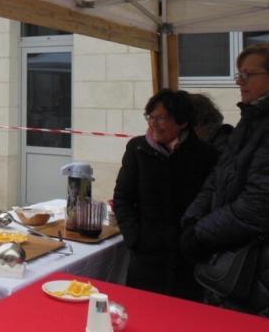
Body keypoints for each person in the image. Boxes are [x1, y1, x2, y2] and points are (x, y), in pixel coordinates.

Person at [181, 44, 269, 316]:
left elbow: (258, 204)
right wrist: (193, 218)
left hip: (257, 263)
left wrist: (201, 233)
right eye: (238, 75)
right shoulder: (249, 120)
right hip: (229, 251)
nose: (239, 82)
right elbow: (218, 178)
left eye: (247, 74)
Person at [113, 89, 219, 300]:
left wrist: (195, 240)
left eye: (161, 118)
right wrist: (135, 238)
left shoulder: (205, 155)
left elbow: (211, 202)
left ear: (182, 122)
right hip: (146, 258)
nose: (153, 124)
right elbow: (122, 199)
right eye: (150, 117)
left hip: (187, 258)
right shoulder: (137, 149)